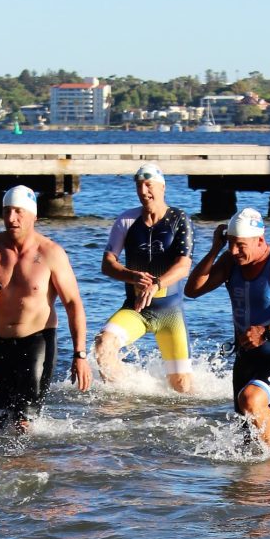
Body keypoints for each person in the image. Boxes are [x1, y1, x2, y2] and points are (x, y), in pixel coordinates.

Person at [0, 185, 92, 434]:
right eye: (7, 211)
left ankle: (30, 471)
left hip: (38, 342)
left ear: (33, 215)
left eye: (18, 211)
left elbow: (73, 304)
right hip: (0, 345)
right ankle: (5, 471)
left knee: (22, 424)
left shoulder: (51, 253)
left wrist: (79, 355)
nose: (11, 218)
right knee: (2, 425)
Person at [184, 208, 270, 447]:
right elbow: (193, 290)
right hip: (246, 360)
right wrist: (216, 249)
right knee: (248, 438)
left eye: (240, 245)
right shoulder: (230, 261)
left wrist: (267, 332)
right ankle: (259, 481)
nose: (235, 251)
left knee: (251, 399)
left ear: (260, 239)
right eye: (230, 244)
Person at [95, 163, 195, 393]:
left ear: (162, 187)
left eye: (148, 185)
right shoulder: (126, 221)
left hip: (169, 312)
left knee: (182, 389)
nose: (143, 191)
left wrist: (157, 284)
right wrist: (131, 276)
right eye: (139, 186)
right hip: (136, 309)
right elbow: (107, 264)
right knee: (103, 346)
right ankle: (125, 400)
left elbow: (183, 266)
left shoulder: (179, 219)